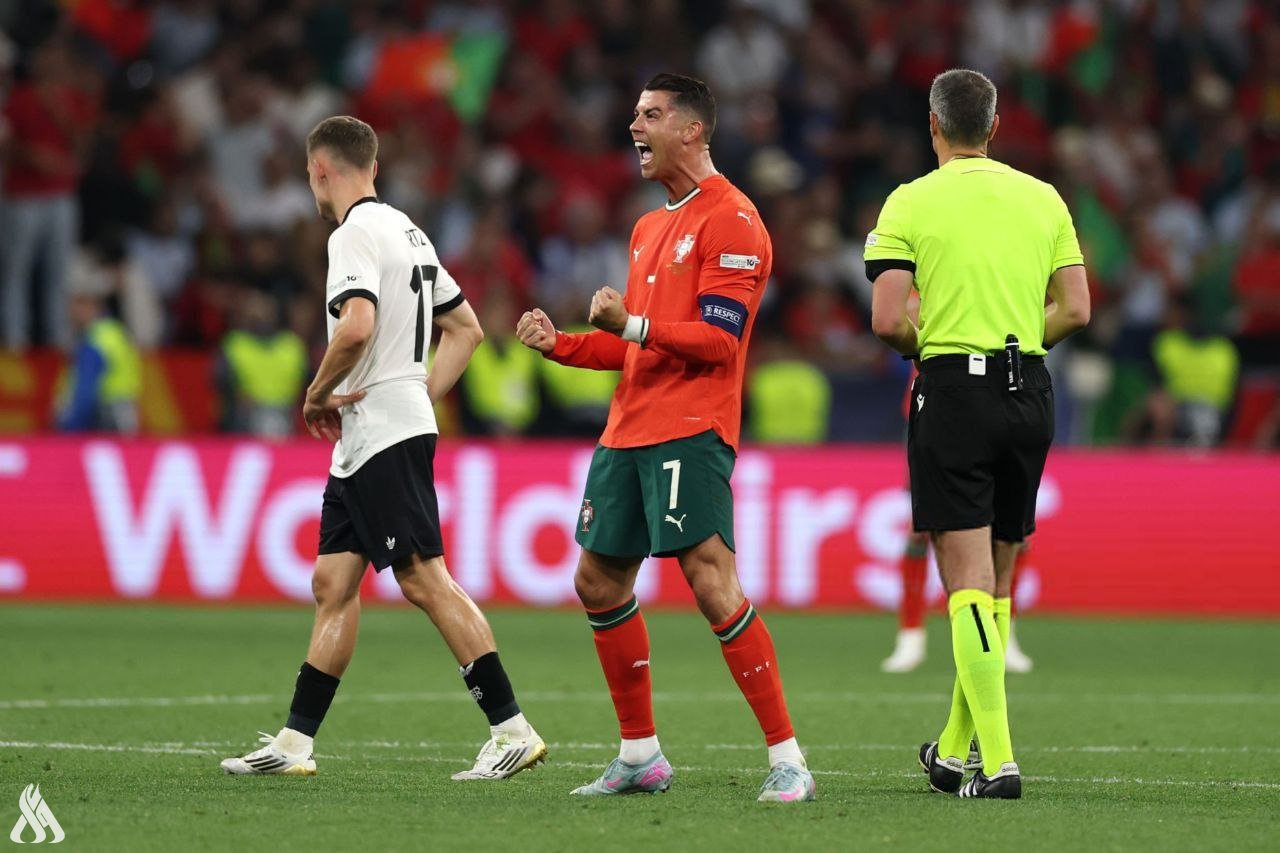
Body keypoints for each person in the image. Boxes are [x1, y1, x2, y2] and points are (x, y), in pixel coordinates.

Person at [516, 73, 815, 803]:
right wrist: (563, 345)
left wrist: (632, 324)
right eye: (635, 113)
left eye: (650, 114)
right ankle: (640, 755)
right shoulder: (648, 227)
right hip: (628, 428)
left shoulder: (734, 219)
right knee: (597, 580)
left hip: (690, 426)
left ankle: (789, 760)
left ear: (692, 129)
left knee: (711, 581)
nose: (634, 127)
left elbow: (719, 339)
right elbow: (635, 346)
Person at [221, 116, 545, 779]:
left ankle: (511, 728)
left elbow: (356, 325)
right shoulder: (409, 231)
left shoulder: (352, 234)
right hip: (377, 429)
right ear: (372, 166)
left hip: (380, 428)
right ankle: (294, 743)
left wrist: (317, 393)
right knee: (332, 583)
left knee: (423, 577)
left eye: (309, 174)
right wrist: (418, 393)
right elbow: (466, 329)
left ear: (320, 170)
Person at [867, 69, 1090, 799]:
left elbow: (888, 320)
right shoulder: (1044, 198)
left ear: (934, 126)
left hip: (954, 391)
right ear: (994, 128)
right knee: (994, 583)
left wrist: (926, 348)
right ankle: (954, 748)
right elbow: (1076, 309)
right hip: (1031, 391)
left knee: (965, 581)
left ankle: (998, 762)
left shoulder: (908, 201)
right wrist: (1020, 342)